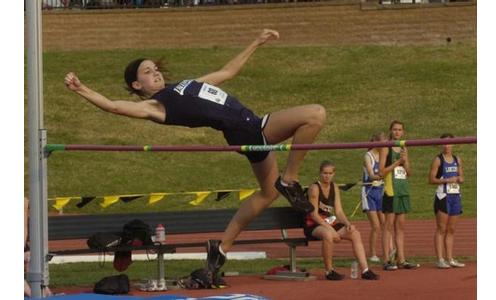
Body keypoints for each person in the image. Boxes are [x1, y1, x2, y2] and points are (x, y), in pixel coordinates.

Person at [64, 29, 324, 276]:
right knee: (315, 114)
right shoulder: (155, 105)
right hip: (250, 129)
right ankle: (289, 180)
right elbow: (114, 107)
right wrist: (81, 89)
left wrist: (257, 41)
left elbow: (228, 71)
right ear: (136, 83)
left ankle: (221, 249)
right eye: (147, 71)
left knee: (268, 193)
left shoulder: (188, 85)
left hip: (250, 127)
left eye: (155, 68)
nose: (154, 72)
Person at [304, 160, 379, 280]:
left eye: (329, 173)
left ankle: (365, 270)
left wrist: (348, 224)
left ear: (334, 174)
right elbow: (314, 215)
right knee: (328, 234)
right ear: (320, 173)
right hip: (313, 224)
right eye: (324, 173)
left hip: (328, 222)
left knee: (355, 233)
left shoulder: (334, 187)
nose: (327, 176)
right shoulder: (314, 188)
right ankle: (329, 271)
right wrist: (330, 229)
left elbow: (338, 211)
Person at [379, 120, 419, 271]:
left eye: (400, 130)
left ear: (403, 132)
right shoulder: (386, 148)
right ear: (390, 131)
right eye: (395, 129)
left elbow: (409, 172)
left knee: (400, 227)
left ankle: (401, 259)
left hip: (402, 189)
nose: (397, 132)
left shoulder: (403, 148)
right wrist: (397, 163)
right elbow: (381, 172)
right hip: (391, 190)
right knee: (388, 226)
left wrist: (405, 161)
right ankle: (386, 259)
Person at [428, 133, 465, 268]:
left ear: (453, 144)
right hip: (443, 196)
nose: (447, 146)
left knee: (451, 229)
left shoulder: (457, 159)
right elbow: (431, 179)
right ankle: (440, 259)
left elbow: (461, 176)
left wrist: (460, 179)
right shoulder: (438, 160)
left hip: (455, 196)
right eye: (444, 143)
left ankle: (450, 258)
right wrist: (446, 180)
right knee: (441, 228)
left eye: (449, 143)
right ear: (440, 144)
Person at [361, 132, 393, 263]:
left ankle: (391, 250)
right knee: (376, 226)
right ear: (376, 142)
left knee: (386, 224)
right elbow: (371, 173)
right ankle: (373, 253)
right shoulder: (368, 156)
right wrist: (380, 175)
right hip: (369, 192)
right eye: (383, 143)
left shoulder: (384, 155)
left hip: (381, 191)